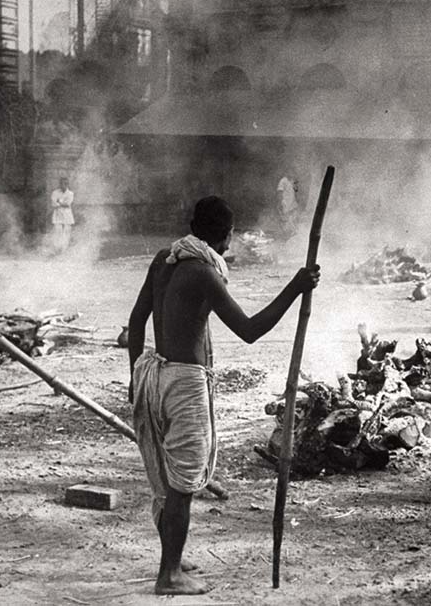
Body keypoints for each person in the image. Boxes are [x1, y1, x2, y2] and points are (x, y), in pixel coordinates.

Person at [126, 196, 321, 595]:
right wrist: (295, 288)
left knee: (168, 476)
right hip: (183, 384)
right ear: (225, 235)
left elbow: (135, 321)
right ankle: (170, 576)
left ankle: (173, 557)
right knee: (182, 482)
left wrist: (134, 375)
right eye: (231, 234)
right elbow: (250, 330)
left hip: (153, 374)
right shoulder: (202, 272)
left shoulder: (165, 259)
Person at [50, 177, 75, 254]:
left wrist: (59, 201)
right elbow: (53, 204)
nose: (63, 185)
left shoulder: (70, 193)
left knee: (66, 232)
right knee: (58, 231)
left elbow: (68, 204)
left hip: (67, 215)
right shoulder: (55, 192)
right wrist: (61, 203)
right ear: (60, 184)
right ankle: (57, 249)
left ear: (67, 184)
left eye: (65, 184)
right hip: (57, 214)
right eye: (61, 183)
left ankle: (64, 250)